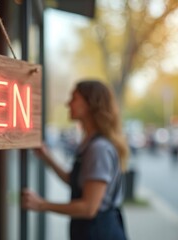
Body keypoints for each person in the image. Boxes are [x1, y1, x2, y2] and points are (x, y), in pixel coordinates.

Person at [22, 80, 128, 240]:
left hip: (99, 233)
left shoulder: (98, 148)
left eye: (74, 98)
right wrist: (46, 156)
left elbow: (89, 208)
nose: (68, 104)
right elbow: (74, 180)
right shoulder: (90, 142)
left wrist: (41, 205)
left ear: (90, 104)